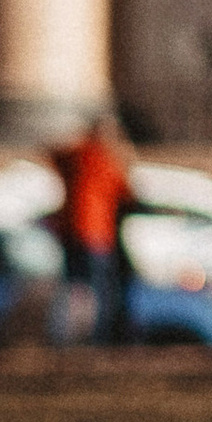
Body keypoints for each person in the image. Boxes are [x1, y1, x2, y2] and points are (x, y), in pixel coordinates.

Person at [49, 117, 133, 347]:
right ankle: (99, 341)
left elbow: (52, 152)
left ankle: (65, 338)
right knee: (101, 292)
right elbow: (127, 192)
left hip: (70, 234)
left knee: (73, 289)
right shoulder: (106, 160)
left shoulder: (75, 154)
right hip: (97, 237)